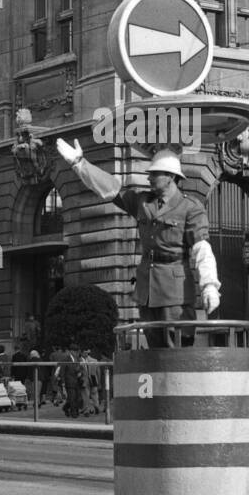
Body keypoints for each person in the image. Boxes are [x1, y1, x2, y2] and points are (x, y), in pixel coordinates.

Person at [54, 141, 220, 348]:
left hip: (175, 291)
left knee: (177, 348)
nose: (148, 177)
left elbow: (201, 248)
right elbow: (111, 189)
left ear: (170, 177)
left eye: (154, 174)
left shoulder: (190, 208)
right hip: (147, 289)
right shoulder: (143, 202)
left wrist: (210, 285)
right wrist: (80, 164)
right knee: (153, 351)